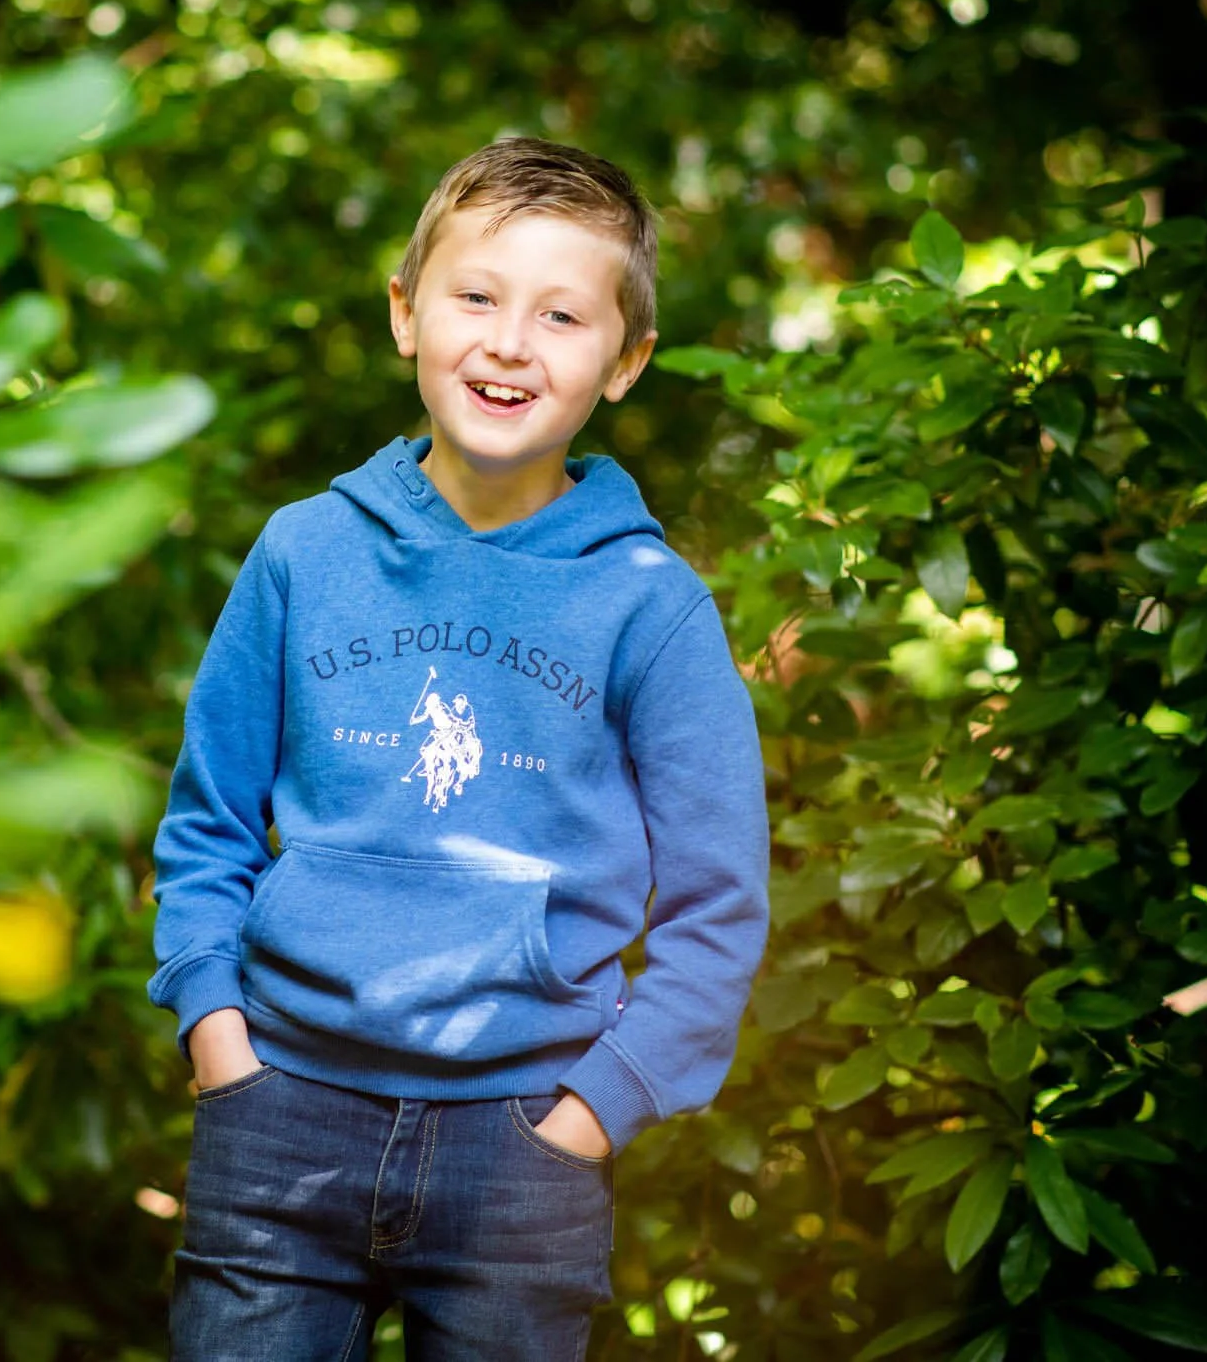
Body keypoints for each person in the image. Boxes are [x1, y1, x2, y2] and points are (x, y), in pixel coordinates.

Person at [146, 136, 771, 1361]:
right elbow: (206, 825)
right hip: (279, 1111)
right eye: (475, 297)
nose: (507, 342)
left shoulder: (647, 601)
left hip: (523, 1141)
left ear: (626, 360)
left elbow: (717, 906)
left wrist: (593, 1113)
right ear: (404, 313)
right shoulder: (302, 554)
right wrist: (220, 1038)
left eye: (560, 315)